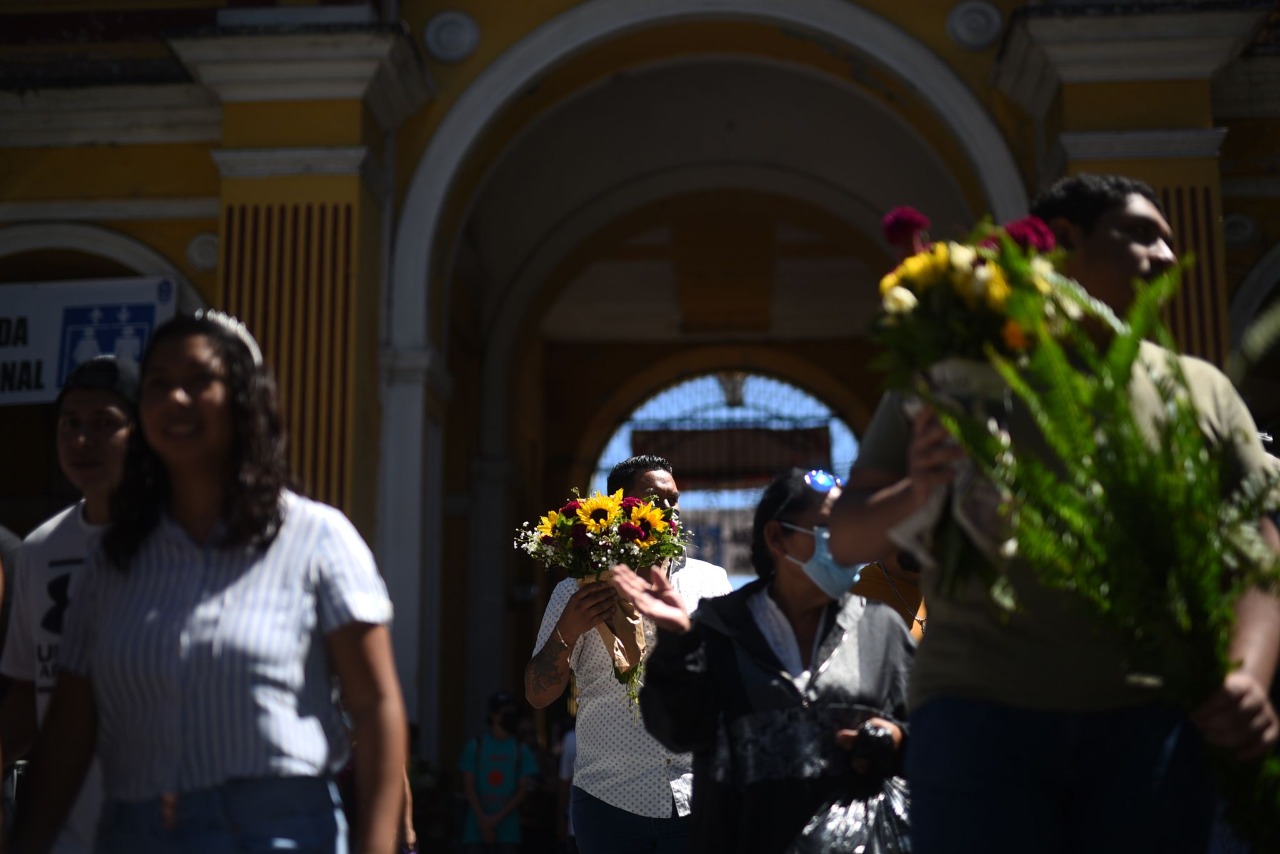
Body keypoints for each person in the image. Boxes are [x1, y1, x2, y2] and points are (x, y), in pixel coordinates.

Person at [827, 173, 1280, 853]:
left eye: (1169, 240)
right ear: (1064, 240)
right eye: (1141, 234)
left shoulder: (1200, 388)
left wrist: (1248, 674)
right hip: (976, 716)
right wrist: (919, 490)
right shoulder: (953, 371)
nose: (1163, 256)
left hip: (1151, 717)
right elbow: (847, 530)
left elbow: (1259, 544)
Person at [12, 311, 408, 854]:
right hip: (134, 834)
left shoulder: (316, 538)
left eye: (199, 381)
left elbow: (376, 705)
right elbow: (66, 734)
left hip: (278, 833)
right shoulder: (111, 562)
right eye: (159, 384)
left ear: (245, 398)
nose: (176, 398)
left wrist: (378, 845)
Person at [611, 467, 914, 853]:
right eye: (828, 530)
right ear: (778, 539)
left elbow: (930, 734)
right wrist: (679, 643)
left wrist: (893, 738)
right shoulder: (720, 628)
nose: (847, 545)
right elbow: (677, 730)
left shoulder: (881, 629)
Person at [524, 454, 731, 854]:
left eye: (674, 499)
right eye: (656, 498)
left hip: (695, 797)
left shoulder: (712, 583)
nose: (669, 509)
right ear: (619, 503)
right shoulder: (576, 590)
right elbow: (537, 694)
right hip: (608, 802)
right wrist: (568, 628)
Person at [0, 357, 136, 853]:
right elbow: (29, 695)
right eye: (70, 423)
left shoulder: (179, 544)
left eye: (105, 424)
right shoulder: (38, 550)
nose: (83, 439)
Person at [457, 691, 538, 854]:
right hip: (475, 831)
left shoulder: (521, 750)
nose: (510, 717)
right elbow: (468, 786)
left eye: (513, 712)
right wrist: (483, 819)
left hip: (508, 833)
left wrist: (494, 819)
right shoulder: (475, 746)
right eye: (505, 712)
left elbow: (523, 791)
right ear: (493, 716)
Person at [556, 724, 576, 854]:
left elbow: (564, 784)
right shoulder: (570, 739)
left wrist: (560, 818)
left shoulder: (571, 738)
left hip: (577, 824)